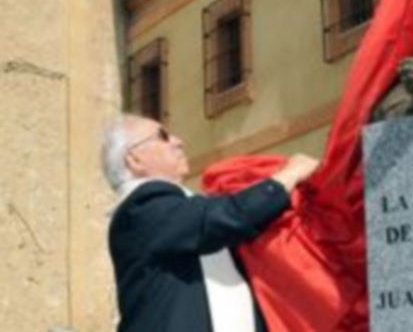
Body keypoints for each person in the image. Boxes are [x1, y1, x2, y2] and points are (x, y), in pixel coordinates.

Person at [101, 114, 320, 332]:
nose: (179, 142)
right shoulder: (141, 208)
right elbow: (226, 218)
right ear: (135, 159)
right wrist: (289, 175)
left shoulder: (180, 211)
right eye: (163, 136)